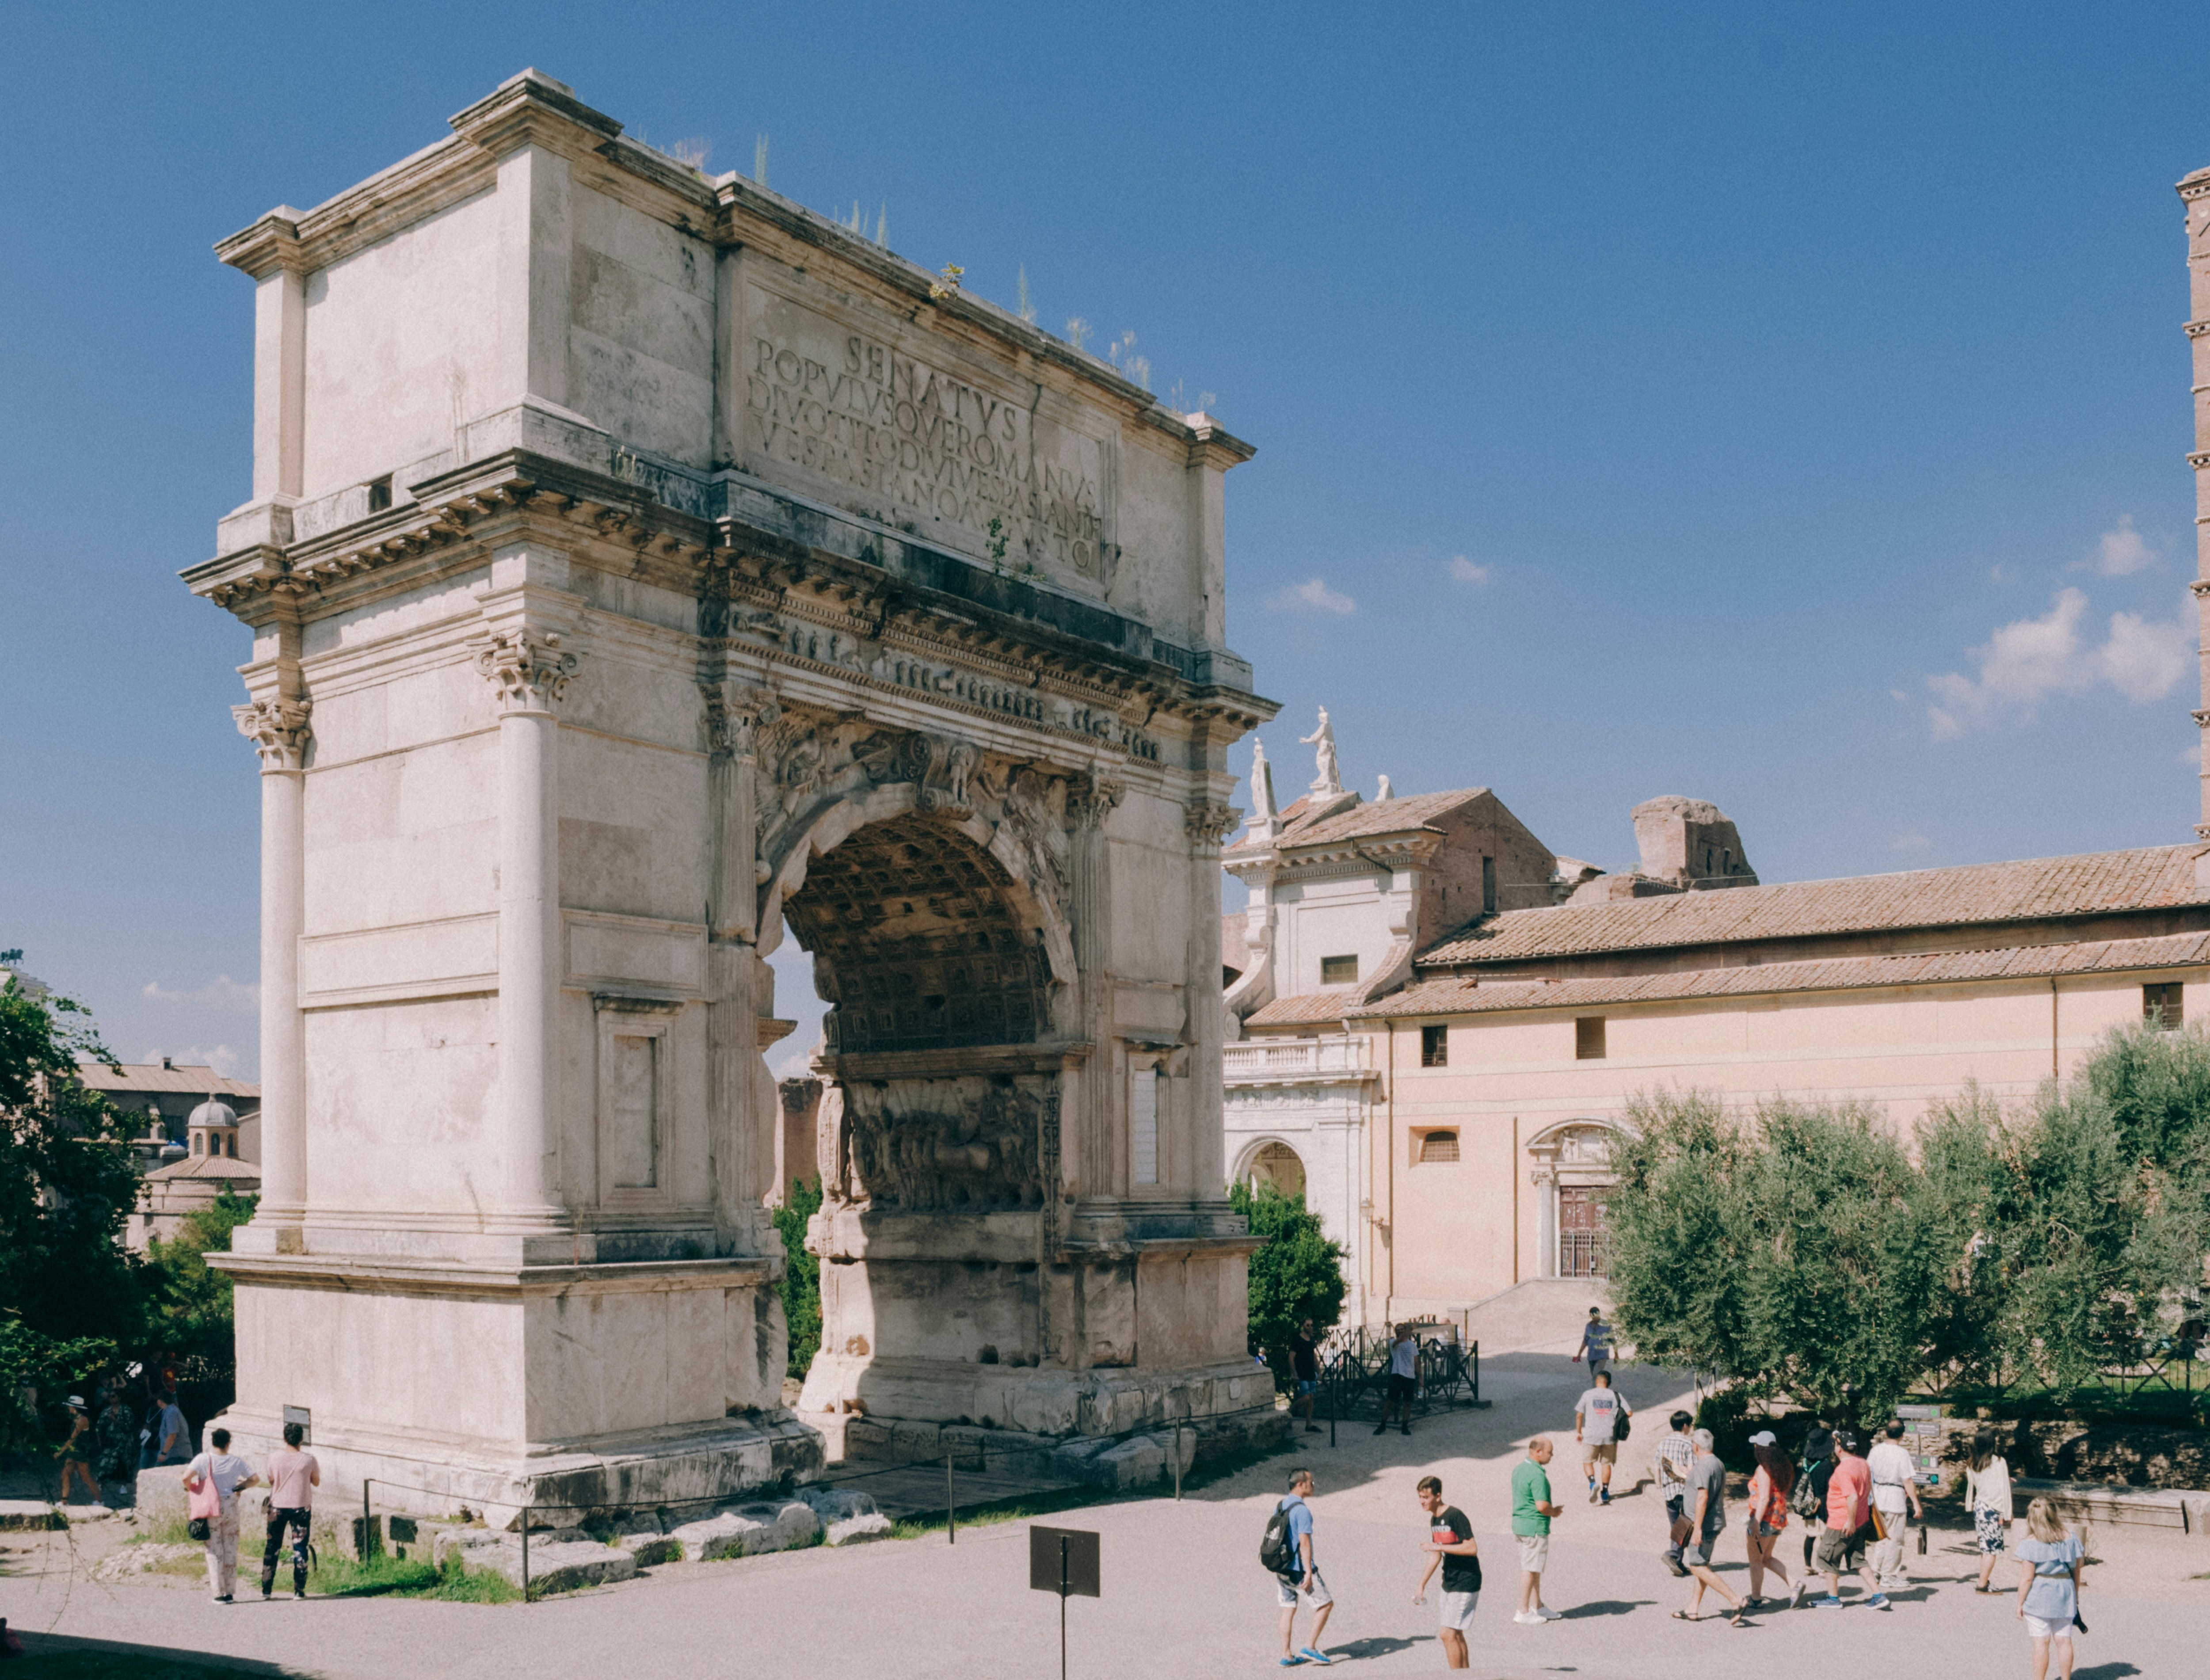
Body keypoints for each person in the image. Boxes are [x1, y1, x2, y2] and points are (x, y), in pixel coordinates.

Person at [1673, 1427, 1749, 1626]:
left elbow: (1703, 1496)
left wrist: (1697, 1528)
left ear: (1695, 1446)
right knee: (1702, 1565)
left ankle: (1736, 1600)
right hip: (1714, 1521)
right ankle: (1693, 1609)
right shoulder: (1717, 1463)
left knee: (1697, 1567)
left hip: (1702, 1525)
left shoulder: (1703, 1467)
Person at [183, 1427, 260, 1603]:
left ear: (213, 1442)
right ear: (228, 1443)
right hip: (231, 1505)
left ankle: (219, 1593)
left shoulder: (204, 1459)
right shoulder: (236, 1461)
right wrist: (239, 1487)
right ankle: (230, 1592)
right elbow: (255, 1479)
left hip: (212, 1508)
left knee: (214, 1551)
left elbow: (186, 1477)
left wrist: (193, 1489)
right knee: (231, 1549)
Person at [1413, 1474, 1480, 1669]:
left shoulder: (1455, 1516)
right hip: (1449, 1582)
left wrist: (1436, 1547)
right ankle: (1466, 1674)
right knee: (1456, 1634)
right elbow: (1436, 1555)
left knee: (1447, 1634)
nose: (1422, 1502)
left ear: (1438, 1496)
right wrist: (1421, 1586)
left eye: (1426, 1497)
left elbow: (1472, 1548)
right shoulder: (1435, 1520)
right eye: (1420, 1497)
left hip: (1467, 1581)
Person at [1812, 1430, 1886, 1608]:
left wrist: (1850, 1522)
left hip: (1843, 1522)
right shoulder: (1863, 1463)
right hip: (1862, 1519)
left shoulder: (1843, 1470)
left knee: (1828, 1557)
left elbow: (1852, 1497)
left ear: (1839, 1447)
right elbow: (1866, 1491)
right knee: (1858, 1558)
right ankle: (1878, 1595)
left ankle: (1833, 1599)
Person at [2013, 1497, 2083, 1680]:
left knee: (2041, 1642)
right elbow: (2077, 1571)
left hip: (2040, 1594)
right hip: (2065, 1591)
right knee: (2064, 1640)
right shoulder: (2071, 1539)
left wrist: (2020, 1602)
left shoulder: (2031, 1543)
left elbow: (2027, 1578)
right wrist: (2075, 1596)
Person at [261, 1419, 319, 1601]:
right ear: (302, 1439)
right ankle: (299, 1591)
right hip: (300, 1507)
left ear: (284, 1438)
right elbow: (316, 1482)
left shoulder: (273, 1458)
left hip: (277, 1507)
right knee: (300, 1548)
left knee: (272, 1547)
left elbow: (271, 1480)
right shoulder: (309, 1460)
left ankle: (267, 1589)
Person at [1509, 1436, 1565, 1625]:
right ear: (1538, 1452)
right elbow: (1542, 1506)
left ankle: (1538, 1605)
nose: (1552, 1456)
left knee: (1533, 1568)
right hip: (1534, 1527)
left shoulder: (1519, 1469)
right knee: (1530, 1568)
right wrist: (1554, 1512)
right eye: (1550, 1452)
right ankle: (1523, 1610)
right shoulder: (1537, 1475)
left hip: (1520, 1525)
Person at [1866, 1420, 1924, 1592]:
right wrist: (1916, 1503)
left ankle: (1877, 1570)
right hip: (1895, 1497)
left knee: (1882, 1537)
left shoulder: (1876, 1450)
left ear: (1885, 1433)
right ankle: (1889, 1574)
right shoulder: (1902, 1453)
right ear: (1902, 1435)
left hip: (1878, 1495)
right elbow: (1907, 1479)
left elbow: (1868, 1473)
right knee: (1895, 1538)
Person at [1744, 1432, 1798, 1607]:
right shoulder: (1782, 1467)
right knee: (1766, 1558)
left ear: (1761, 1449)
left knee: (1756, 1561)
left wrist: (1755, 1523)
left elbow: (1764, 1498)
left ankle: (1756, 1598)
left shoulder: (1763, 1469)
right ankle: (1795, 1584)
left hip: (1764, 1519)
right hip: (1778, 1518)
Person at [1967, 1431, 2016, 1593]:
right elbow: (2002, 1490)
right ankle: (1982, 1585)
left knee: (1985, 1547)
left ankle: (1984, 1581)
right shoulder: (1999, 1461)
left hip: (1980, 1506)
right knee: (1992, 1550)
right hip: (1993, 1509)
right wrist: (2005, 1513)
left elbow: (1983, 1482)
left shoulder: (1973, 1462)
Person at [1572, 1369, 1631, 1505]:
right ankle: (1605, 1492)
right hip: (1610, 1435)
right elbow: (1629, 1412)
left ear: (1597, 1381)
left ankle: (1593, 1483)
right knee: (1606, 1464)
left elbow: (1579, 1414)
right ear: (1609, 1383)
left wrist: (1579, 1432)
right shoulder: (1617, 1396)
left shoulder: (1588, 1394)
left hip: (1592, 1435)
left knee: (1588, 1461)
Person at [1656, 1409, 1695, 1575]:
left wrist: (1659, 1486)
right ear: (1685, 1426)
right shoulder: (1688, 1444)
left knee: (1676, 1527)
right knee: (1687, 1525)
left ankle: (1677, 1561)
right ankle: (1673, 1555)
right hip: (1684, 1490)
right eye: (1690, 1425)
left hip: (1668, 1490)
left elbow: (1658, 1466)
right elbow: (1692, 1469)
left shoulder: (1663, 1443)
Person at [1798, 1424, 1835, 1573]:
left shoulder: (1806, 1463)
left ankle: (1808, 1566)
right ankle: (1824, 1567)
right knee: (1826, 1538)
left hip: (1809, 1503)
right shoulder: (1827, 1466)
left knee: (1810, 1535)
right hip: (1824, 1504)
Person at [1376, 1323, 1420, 1438]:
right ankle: (1383, 1424)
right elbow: (1399, 1341)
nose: (1400, 1332)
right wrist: (1409, 1331)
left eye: (1402, 1330)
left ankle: (1405, 1426)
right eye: (1398, 1330)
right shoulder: (1393, 1342)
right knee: (1390, 1401)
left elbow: (1416, 1362)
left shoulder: (1412, 1346)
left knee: (1408, 1403)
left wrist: (1421, 1377)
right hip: (1397, 1375)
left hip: (1409, 1376)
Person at [57, 1397, 99, 1503]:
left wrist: (60, 1452)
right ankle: (64, 1501)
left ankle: (99, 1501)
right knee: (65, 1475)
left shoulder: (82, 1420)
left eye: (70, 1406)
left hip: (80, 1452)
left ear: (75, 1407)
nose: (68, 1408)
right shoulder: (76, 1418)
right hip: (73, 1452)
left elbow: (72, 1438)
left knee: (86, 1477)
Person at [1291, 1319, 1322, 1435]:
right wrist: (1294, 1374)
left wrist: (1319, 1371)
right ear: (1303, 1326)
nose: (1310, 1327)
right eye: (1308, 1325)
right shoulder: (1298, 1340)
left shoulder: (1311, 1340)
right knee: (1306, 1397)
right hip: (1301, 1373)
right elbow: (1291, 1357)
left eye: (1311, 1325)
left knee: (1311, 1399)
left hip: (1310, 1373)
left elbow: (1314, 1357)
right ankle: (1289, 1412)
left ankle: (1309, 1425)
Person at [150, 1390, 191, 1467]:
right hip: (172, 1453)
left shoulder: (171, 1412)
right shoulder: (169, 1411)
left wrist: (164, 1453)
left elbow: (172, 1435)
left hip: (174, 1454)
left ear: (160, 1401)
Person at [1574, 1307, 1613, 1379]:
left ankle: (1597, 1389)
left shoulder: (1607, 1325)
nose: (1595, 1318)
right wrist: (1579, 1355)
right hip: (1591, 1355)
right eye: (1593, 1315)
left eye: (1597, 1315)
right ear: (1591, 1316)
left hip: (1602, 1355)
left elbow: (1613, 1340)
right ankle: (1601, 1389)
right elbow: (1585, 1341)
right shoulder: (1589, 1326)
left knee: (1596, 1376)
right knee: (1595, 1377)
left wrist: (1617, 1355)